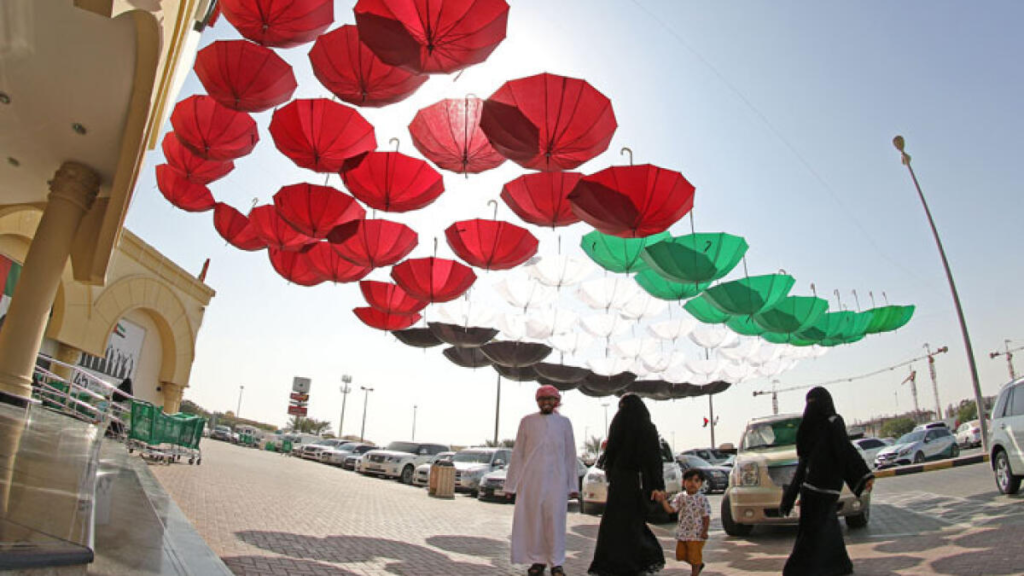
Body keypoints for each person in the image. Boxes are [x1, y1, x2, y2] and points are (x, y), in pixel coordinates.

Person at [780, 387, 875, 576]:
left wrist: (792, 494)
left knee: (816, 531)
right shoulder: (833, 422)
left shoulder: (807, 426)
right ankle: (824, 568)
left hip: (810, 489)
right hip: (827, 487)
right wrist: (863, 475)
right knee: (823, 529)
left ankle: (831, 567)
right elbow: (846, 450)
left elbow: (803, 465)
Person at [588, 393, 666, 576]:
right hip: (637, 482)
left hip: (619, 483)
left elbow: (610, 457)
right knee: (634, 523)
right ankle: (637, 562)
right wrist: (657, 485)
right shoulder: (647, 427)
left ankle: (612, 564)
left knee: (615, 524)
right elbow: (654, 459)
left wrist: (612, 478)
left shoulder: (617, 424)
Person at [505, 385, 579, 576]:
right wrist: (510, 485)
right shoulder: (527, 422)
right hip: (531, 481)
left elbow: (570, 456)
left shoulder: (564, 423)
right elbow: (518, 454)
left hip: (557, 481)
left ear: (557, 402)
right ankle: (537, 561)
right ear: (537, 401)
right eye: (542, 399)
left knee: (555, 521)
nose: (546, 402)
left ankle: (557, 563)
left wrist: (573, 485)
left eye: (550, 399)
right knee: (534, 521)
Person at [657, 469, 710, 576]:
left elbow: (706, 516)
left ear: (701, 484)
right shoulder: (680, 497)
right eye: (689, 480)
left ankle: (695, 572)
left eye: (696, 481)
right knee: (680, 555)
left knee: (694, 556)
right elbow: (671, 509)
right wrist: (663, 501)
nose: (693, 483)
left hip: (696, 534)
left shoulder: (702, 499)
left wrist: (705, 531)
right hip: (683, 533)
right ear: (683, 482)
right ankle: (698, 565)